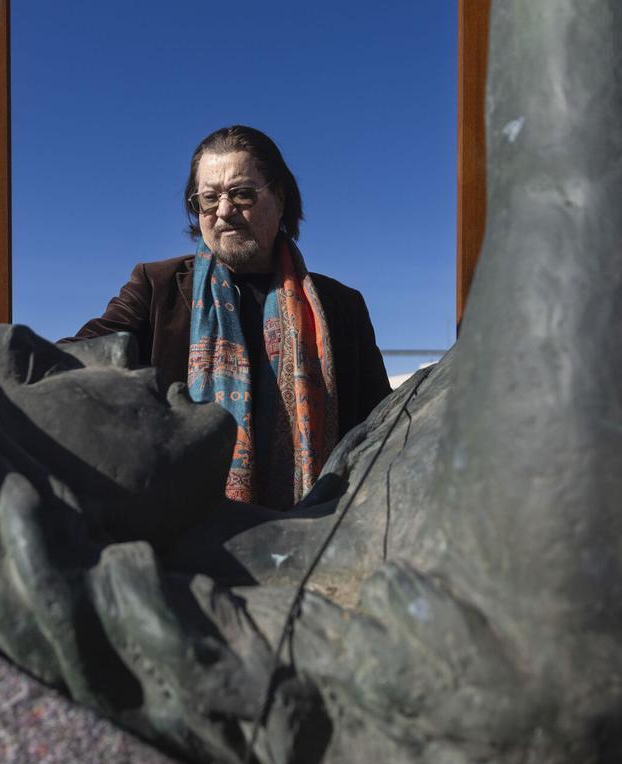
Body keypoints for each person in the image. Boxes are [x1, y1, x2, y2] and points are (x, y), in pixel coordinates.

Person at [65, 126, 391, 510]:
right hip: (180, 534)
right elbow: (80, 357)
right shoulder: (157, 288)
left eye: (242, 194)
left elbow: (380, 425)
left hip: (317, 531)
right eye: (209, 198)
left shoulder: (340, 306)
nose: (223, 211)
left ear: (280, 198)